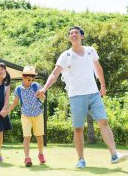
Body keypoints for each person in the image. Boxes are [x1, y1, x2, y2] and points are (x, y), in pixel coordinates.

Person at [36, 26, 128, 168]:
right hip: (76, 96)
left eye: (76, 33)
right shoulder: (65, 55)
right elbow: (55, 73)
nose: (73, 35)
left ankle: (114, 154)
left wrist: (102, 85)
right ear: (69, 38)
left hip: (93, 94)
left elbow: (98, 68)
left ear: (82, 36)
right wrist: (44, 88)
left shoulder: (91, 51)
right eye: (71, 33)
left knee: (103, 122)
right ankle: (81, 159)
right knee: (78, 129)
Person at [6, 66, 46, 167]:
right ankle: (27, 158)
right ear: (23, 77)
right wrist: (7, 111)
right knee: (27, 137)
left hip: (38, 114)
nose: (31, 81)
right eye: (29, 79)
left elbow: (43, 98)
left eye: (33, 79)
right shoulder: (19, 89)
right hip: (26, 115)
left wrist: (41, 96)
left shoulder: (36, 86)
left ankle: (40, 154)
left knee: (39, 136)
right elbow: (15, 102)